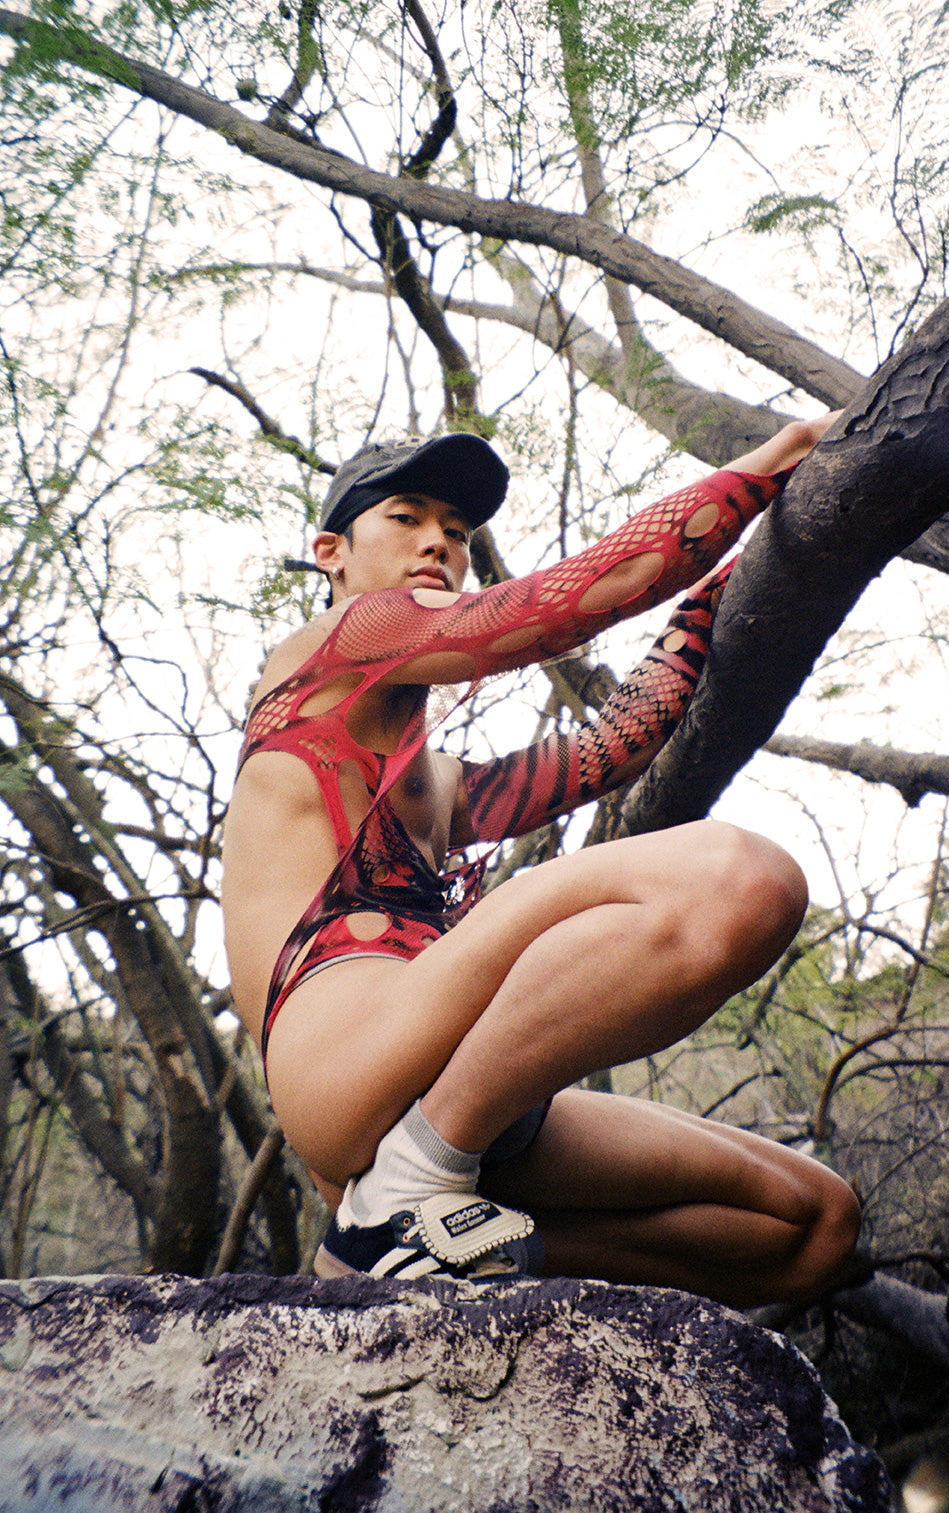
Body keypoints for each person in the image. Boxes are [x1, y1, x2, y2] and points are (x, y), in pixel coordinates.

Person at [221, 419, 860, 1300]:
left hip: (456, 1080)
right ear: (330, 551)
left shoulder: (435, 784)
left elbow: (615, 744)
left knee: (811, 1226)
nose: (439, 540)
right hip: (350, 1065)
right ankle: (405, 1189)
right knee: (741, 881)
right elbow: (559, 604)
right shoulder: (324, 650)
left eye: (455, 530)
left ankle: (427, 1229)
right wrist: (778, 459)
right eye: (406, 517)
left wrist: (733, 580)